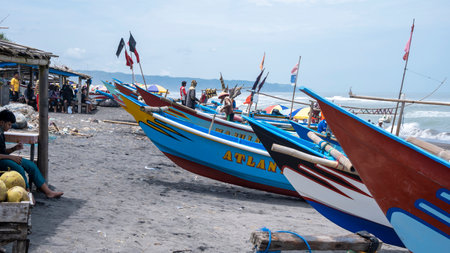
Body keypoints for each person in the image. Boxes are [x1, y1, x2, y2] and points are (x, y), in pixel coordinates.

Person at [0, 110, 63, 198]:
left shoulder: (1, 132)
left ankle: (48, 192)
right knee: (19, 169)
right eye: (9, 124)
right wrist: (12, 158)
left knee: (31, 165)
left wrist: (14, 148)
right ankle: (27, 194)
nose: (10, 127)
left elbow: (2, 151)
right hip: (1, 161)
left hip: (4, 158)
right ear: (2, 122)